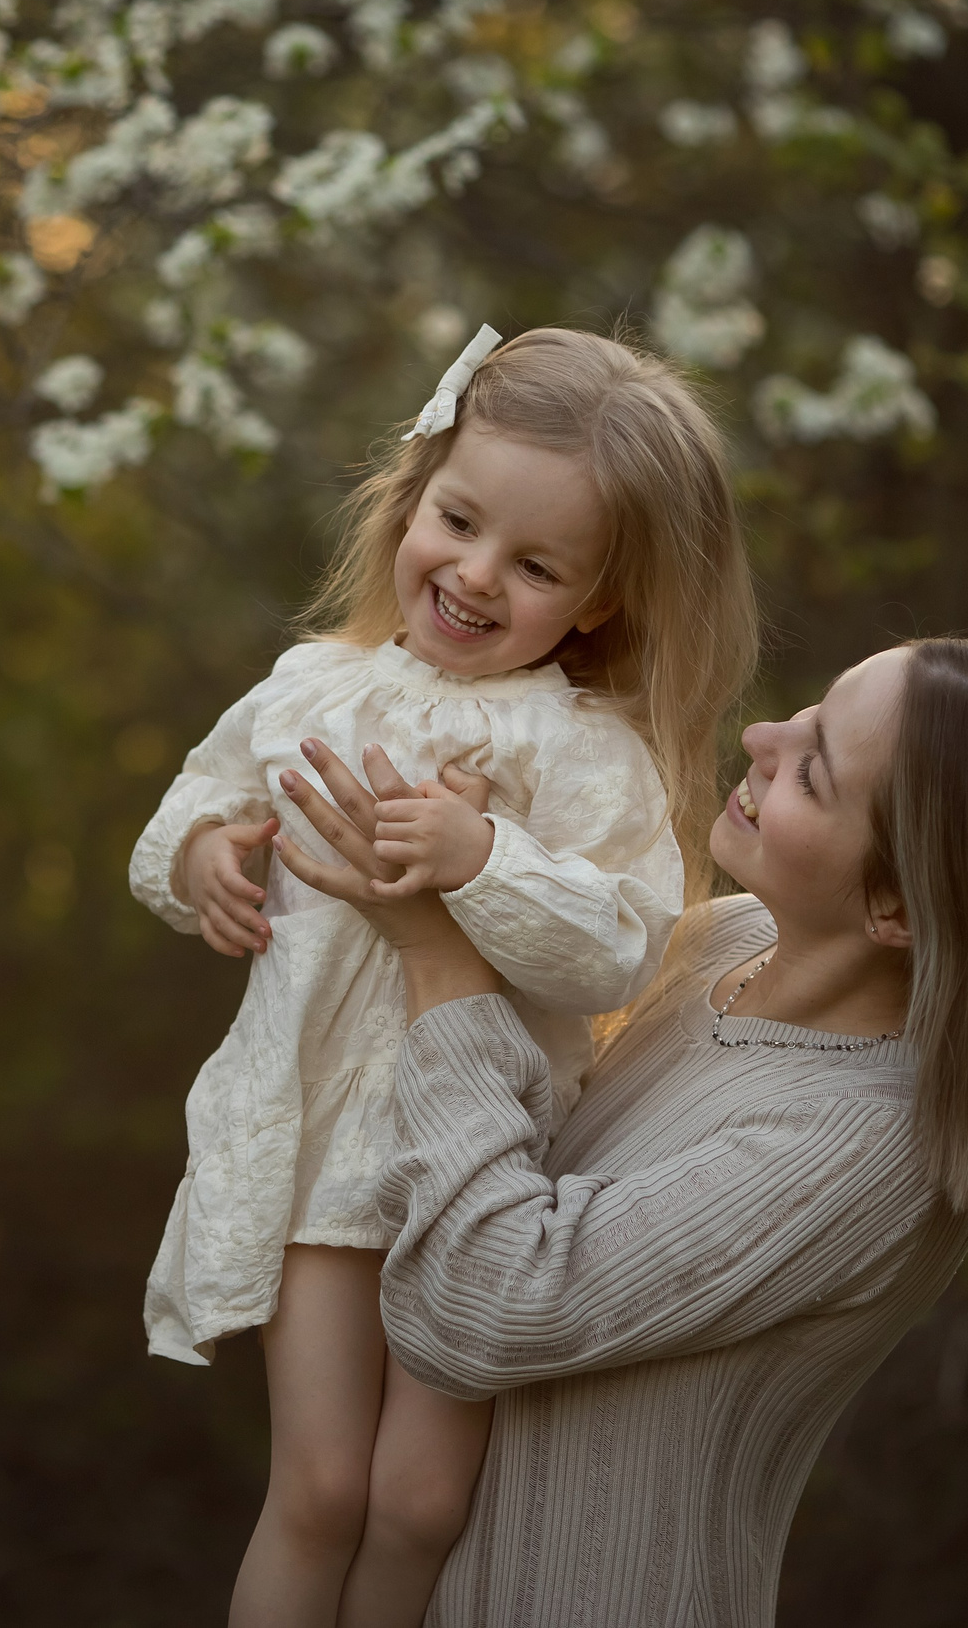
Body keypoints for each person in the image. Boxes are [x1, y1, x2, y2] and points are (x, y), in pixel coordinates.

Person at [270, 637, 968, 1627]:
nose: (759, 736)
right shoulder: (725, 941)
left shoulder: (861, 1148)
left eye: (809, 771)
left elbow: (479, 1305)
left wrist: (439, 959)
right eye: (804, 717)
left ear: (894, 904)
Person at [126, 325, 758, 1626]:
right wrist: (197, 855)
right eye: (457, 520)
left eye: (534, 565)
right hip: (323, 1156)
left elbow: (622, 944)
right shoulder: (315, 687)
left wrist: (481, 856)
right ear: (411, 497)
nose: (473, 574)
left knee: (418, 1502)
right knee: (318, 1487)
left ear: (597, 601)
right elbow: (196, 794)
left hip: (479, 1165)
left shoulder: (590, 757)